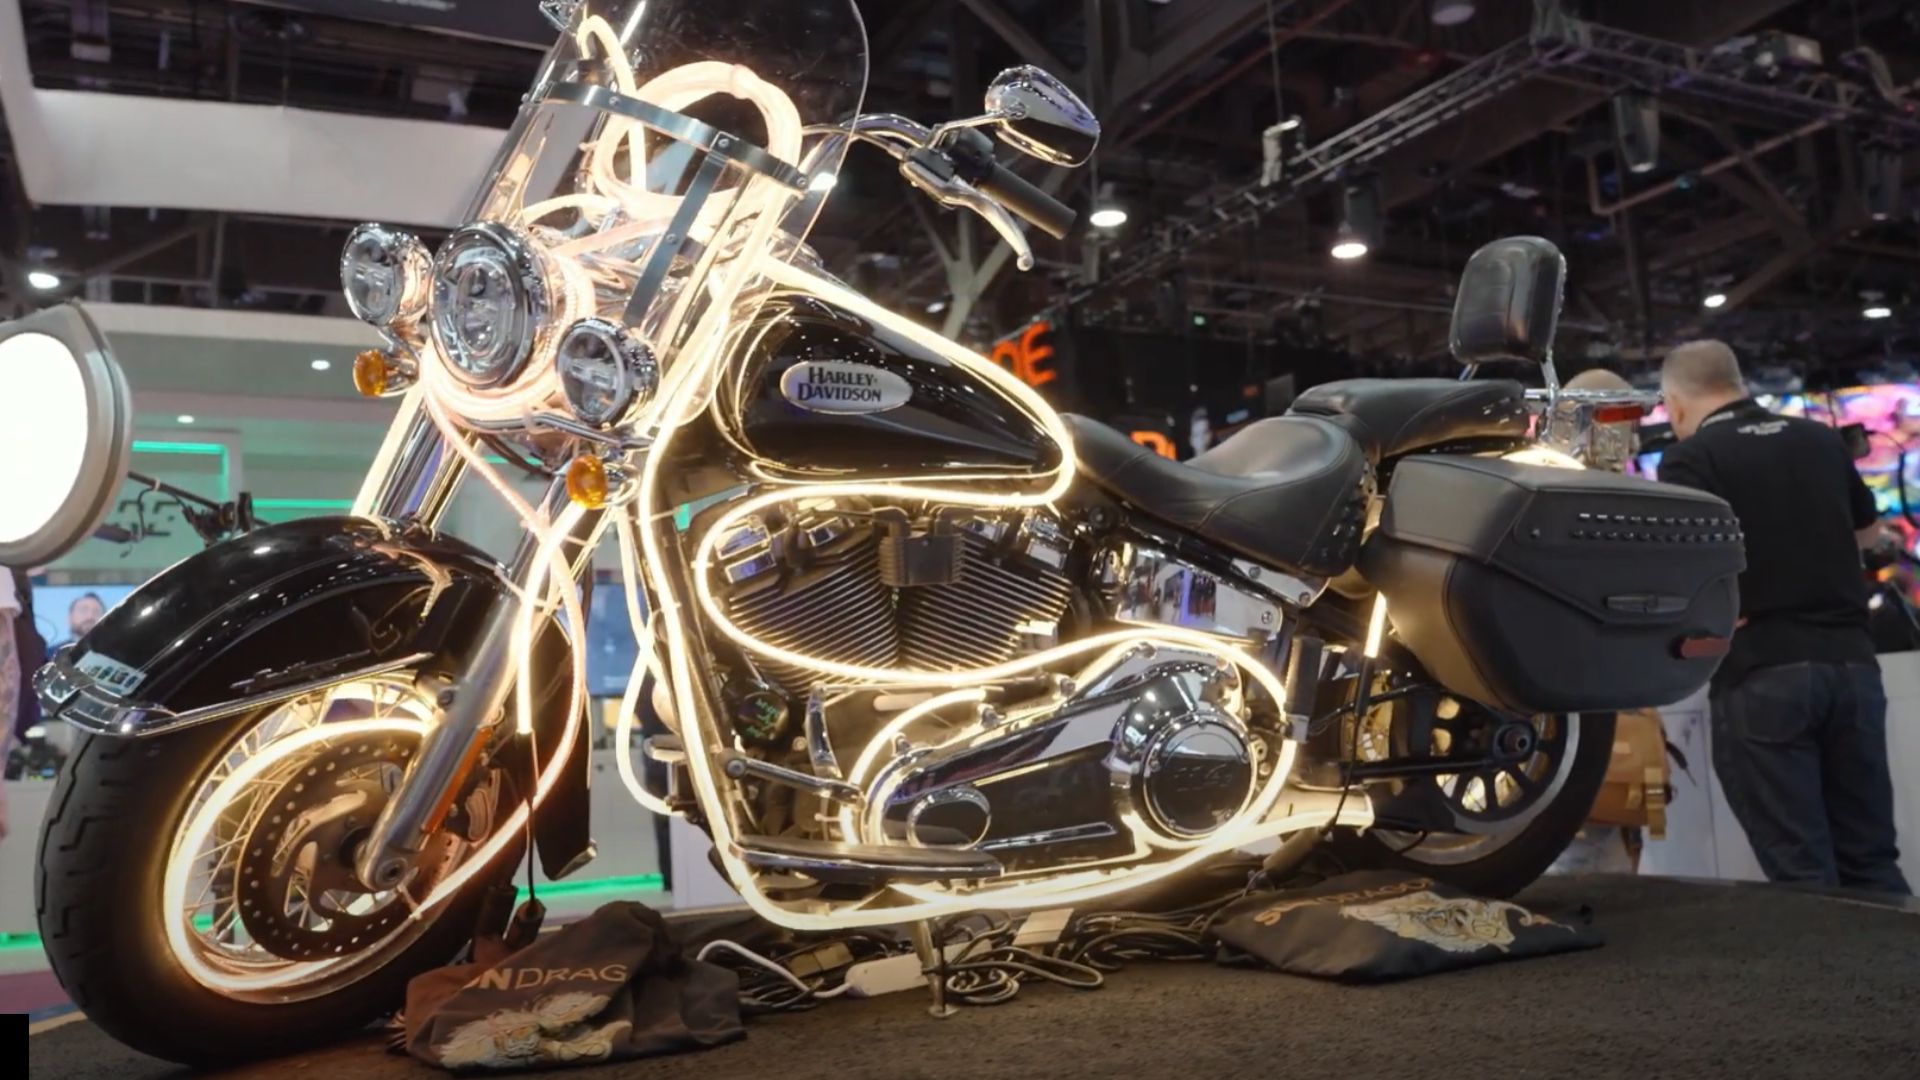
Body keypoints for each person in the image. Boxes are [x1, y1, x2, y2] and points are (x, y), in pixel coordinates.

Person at [1657, 340, 1908, 894]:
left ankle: (1832, 985)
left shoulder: (1691, 458)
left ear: (1674, 403)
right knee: (1872, 860)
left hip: (1763, 672)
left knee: (1801, 876)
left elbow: (1683, 565)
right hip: (1852, 668)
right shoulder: (1819, 439)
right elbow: (1870, 538)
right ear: (1738, 381)